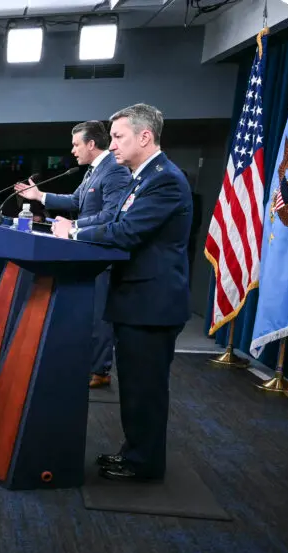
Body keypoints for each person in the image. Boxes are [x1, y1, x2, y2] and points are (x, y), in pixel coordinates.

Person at [52, 103, 192, 482]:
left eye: (117, 137)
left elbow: (127, 232)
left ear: (144, 137)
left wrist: (76, 232)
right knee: (133, 386)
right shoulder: (141, 178)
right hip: (137, 301)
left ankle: (144, 463)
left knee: (145, 389)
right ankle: (133, 453)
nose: (110, 145)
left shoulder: (164, 180)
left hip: (153, 304)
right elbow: (115, 219)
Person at [17, 120, 132, 389]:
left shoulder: (114, 171)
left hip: (102, 254)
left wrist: (74, 227)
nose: (72, 150)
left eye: (76, 144)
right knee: (88, 313)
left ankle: (101, 369)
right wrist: (39, 195)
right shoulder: (94, 170)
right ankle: (89, 362)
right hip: (85, 253)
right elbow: (76, 202)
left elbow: (111, 216)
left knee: (99, 316)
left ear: (91, 144)